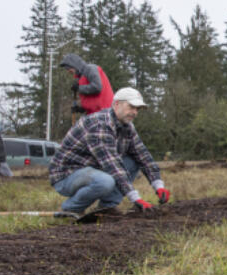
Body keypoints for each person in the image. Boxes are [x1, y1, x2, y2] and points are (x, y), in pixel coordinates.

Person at [48, 87, 169, 217]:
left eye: (137, 109)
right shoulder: (99, 125)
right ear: (117, 104)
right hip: (67, 175)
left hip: (94, 169)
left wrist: (158, 185)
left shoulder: (127, 126)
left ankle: (106, 207)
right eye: (131, 107)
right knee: (105, 181)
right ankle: (70, 209)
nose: (134, 112)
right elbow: (112, 165)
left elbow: (143, 155)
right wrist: (135, 198)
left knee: (134, 161)